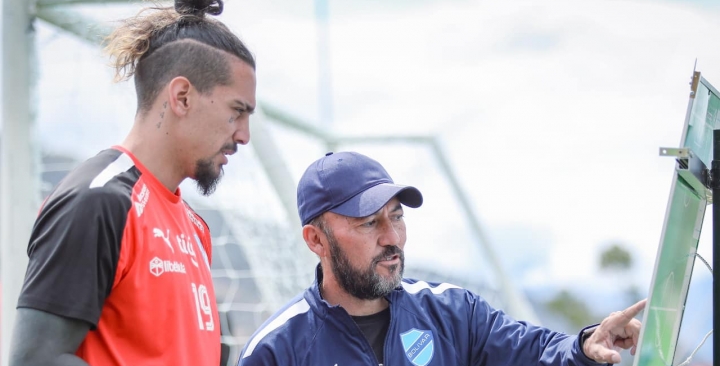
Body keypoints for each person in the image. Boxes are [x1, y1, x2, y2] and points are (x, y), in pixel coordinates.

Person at [9, 0, 256, 366]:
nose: (243, 135)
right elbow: (35, 360)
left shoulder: (195, 227)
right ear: (182, 97)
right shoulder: (98, 202)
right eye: (237, 111)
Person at [237, 151, 646, 366]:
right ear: (316, 239)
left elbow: (535, 353)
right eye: (368, 224)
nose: (391, 238)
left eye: (396, 216)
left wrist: (585, 346)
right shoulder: (276, 350)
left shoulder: (452, 312)